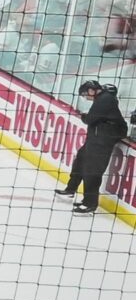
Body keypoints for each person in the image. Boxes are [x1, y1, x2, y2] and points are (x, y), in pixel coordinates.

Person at [60, 79, 126, 215]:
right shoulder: (102, 98)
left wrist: (83, 116)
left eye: (85, 95)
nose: (86, 98)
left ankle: (89, 204)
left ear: (91, 90)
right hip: (96, 138)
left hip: (102, 141)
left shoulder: (104, 100)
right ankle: (71, 189)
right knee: (81, 159)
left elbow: (90, 119)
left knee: (92, 171)